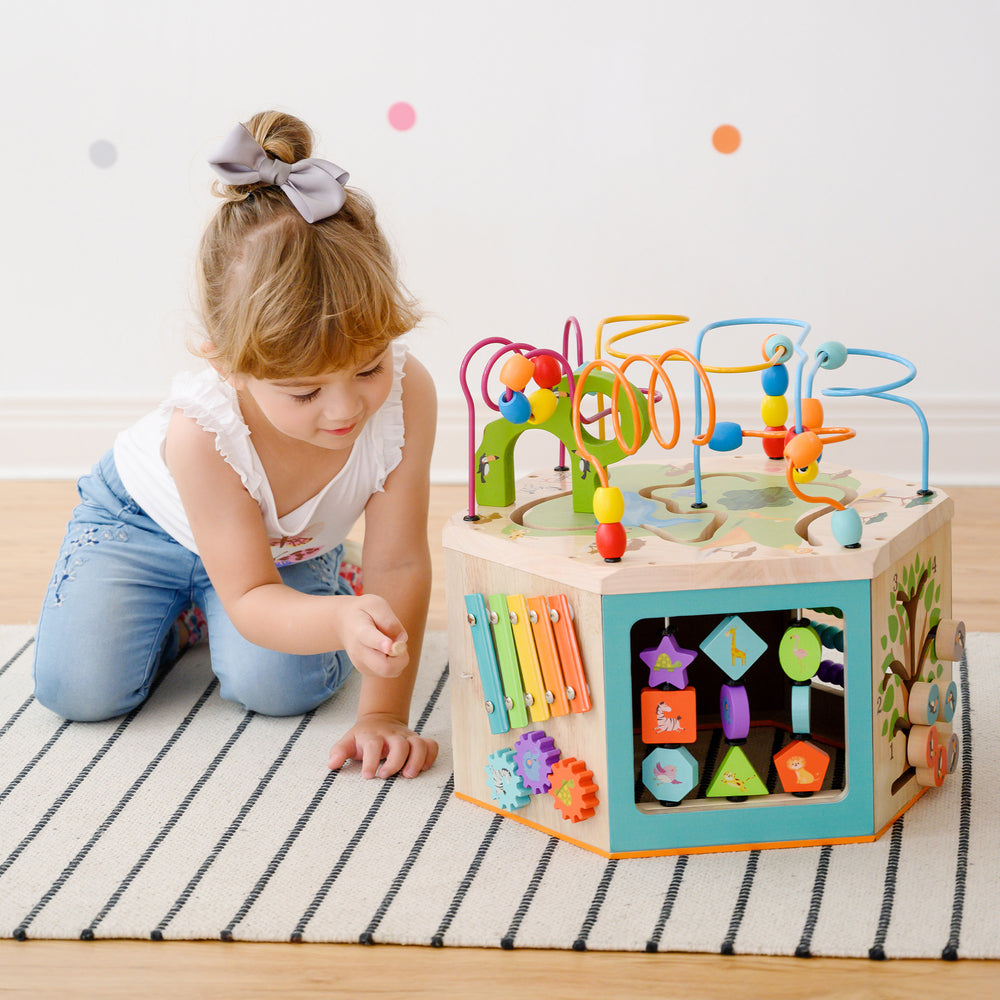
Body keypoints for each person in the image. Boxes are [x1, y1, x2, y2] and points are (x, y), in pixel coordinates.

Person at [32, 110, 438, 781]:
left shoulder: (407, 397)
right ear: (225, 364)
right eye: (305, 392)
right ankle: (186, 615)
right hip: (142, 526)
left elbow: (400, 565)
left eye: (369, 367)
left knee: (282, 689)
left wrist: (383, 717)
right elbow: (250, 594)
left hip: (285, 546)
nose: (345, 409)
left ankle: (284, 594)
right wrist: (333, 622)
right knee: (80, 691)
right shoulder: (201, 433)